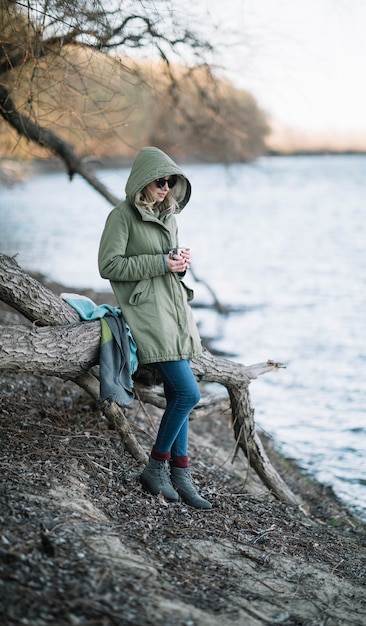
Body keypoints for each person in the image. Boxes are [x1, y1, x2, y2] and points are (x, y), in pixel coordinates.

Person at [98, 146, 211, 510]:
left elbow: (167, 265)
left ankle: (180, 475)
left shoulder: (169, 217)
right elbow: (109, 265)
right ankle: (155, 467)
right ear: (143, 181)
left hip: (174, 312)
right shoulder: (122, 216)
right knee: (189, 394)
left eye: (171, 182)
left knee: (181, 395)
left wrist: (179, 265)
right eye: (160, 181)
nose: (166, 187)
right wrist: (161, 262)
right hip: (147, 314)